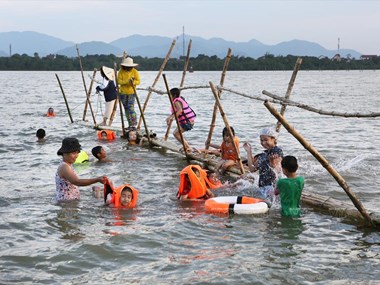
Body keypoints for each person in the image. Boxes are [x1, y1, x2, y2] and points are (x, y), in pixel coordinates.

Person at [55, 137, 107, 201]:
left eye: (77, 152)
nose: (76, 155)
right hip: (67, 204)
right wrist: (97, 179)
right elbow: (77, 182)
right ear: (64, 153)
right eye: (73, 153)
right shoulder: (64, 167)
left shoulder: (68, 165)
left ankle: (97, 190)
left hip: (71, 201)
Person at [243, 127, 283, 199]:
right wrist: (249, 151)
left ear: (273, 139)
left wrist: (272, 162)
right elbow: (252, 169)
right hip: (262, 187)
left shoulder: (277, 152)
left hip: (272, 188)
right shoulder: (263, 154)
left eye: (266, 140)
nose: (263, 143)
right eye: (261, 140)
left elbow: (277, 169)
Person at [165, 88, 196, 153]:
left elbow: (180, 110)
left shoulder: (176, 102)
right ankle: (186, 146)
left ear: (174, 95)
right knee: (177, 134)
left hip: (187, 122)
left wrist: (172, 118)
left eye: (170, 95)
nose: (169, 96)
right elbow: (175, 112)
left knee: (176, 134)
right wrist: (169, 118)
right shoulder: (177, 100)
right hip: (186, 121)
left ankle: (188, 147)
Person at [117, 57, 140, 130]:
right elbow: (119, 81)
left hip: (131, 93)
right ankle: (130, 125)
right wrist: (127, 82)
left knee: (131, 108)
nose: (129, 68)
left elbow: (138, 81)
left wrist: (132, 82)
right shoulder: (121, 71)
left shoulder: (135, 71)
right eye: (127, 66)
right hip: (123, 93)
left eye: (130, 67)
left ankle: (134, 125)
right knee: (126, 109)